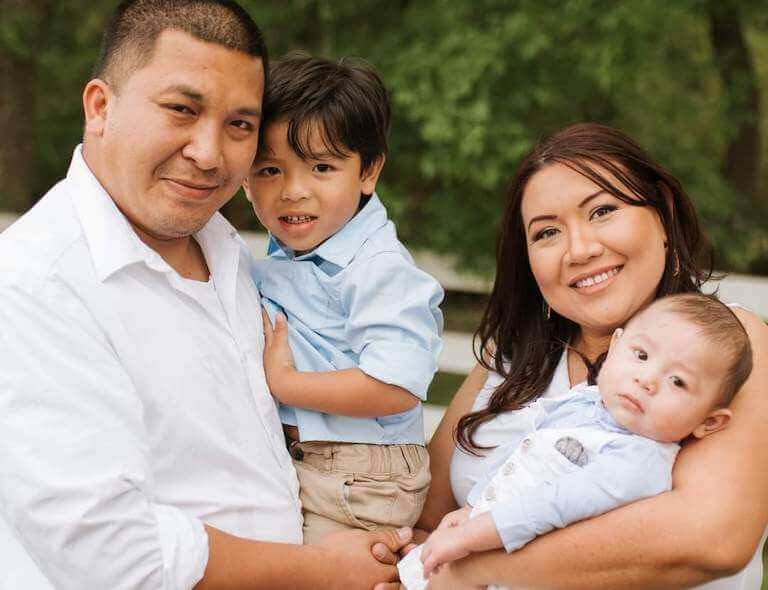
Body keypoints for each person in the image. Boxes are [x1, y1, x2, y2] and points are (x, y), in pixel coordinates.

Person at [0, 2, 411, 589]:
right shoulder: (34, 283)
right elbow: (109, 551)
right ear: (100, 106)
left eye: (240, 125)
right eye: (181, 110)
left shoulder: (236, 255)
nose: (209, 152)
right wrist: (319, 571)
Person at [372, 122, 768, 590]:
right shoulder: (513, 353)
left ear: (661, 213)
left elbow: (712, 537)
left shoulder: (732, 345)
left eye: (602, 210)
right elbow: (430, 518)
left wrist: (473, 566)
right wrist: (404, 555)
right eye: (546, 233)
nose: (579, 249)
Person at [398, 293, 752, 589]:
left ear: (709, 422)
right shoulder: (587, 403)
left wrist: (474, 533)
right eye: (641, 356)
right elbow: (524, 458)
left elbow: (557, 503)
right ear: (616, 346)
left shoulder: (638, 460)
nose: (648, 380)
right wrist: (471, 511)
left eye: (678, 382)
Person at [242, 54, 442, 545]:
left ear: (368, 172)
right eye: (269, 170)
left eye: (322, 167)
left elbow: (395, 385)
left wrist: (287, 384)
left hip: (362, 474)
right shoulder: (283, 257)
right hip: (319, 461)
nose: (293, 191)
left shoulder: (377, 269)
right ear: (243, 179)